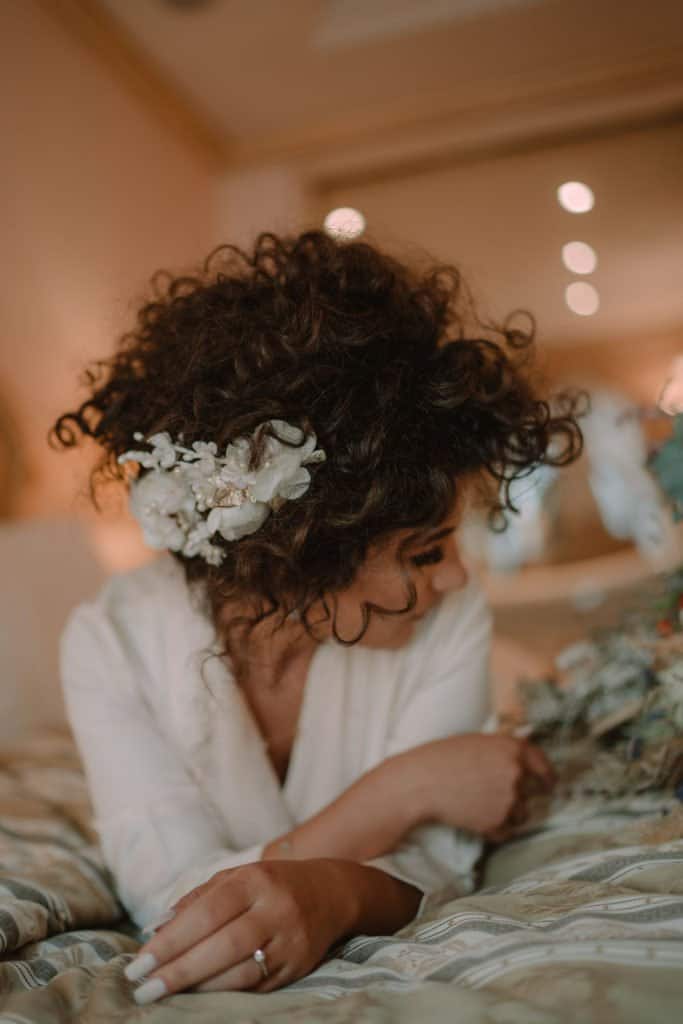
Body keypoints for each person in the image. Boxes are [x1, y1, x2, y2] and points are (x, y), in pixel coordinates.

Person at [50, 230, 582, 1006]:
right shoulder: (109, 645)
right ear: (299, 549)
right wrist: (400, 792)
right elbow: (174, 908)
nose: (459, 575)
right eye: (424, 550)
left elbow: (437, 858)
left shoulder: (450, 612)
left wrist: (337, 894)